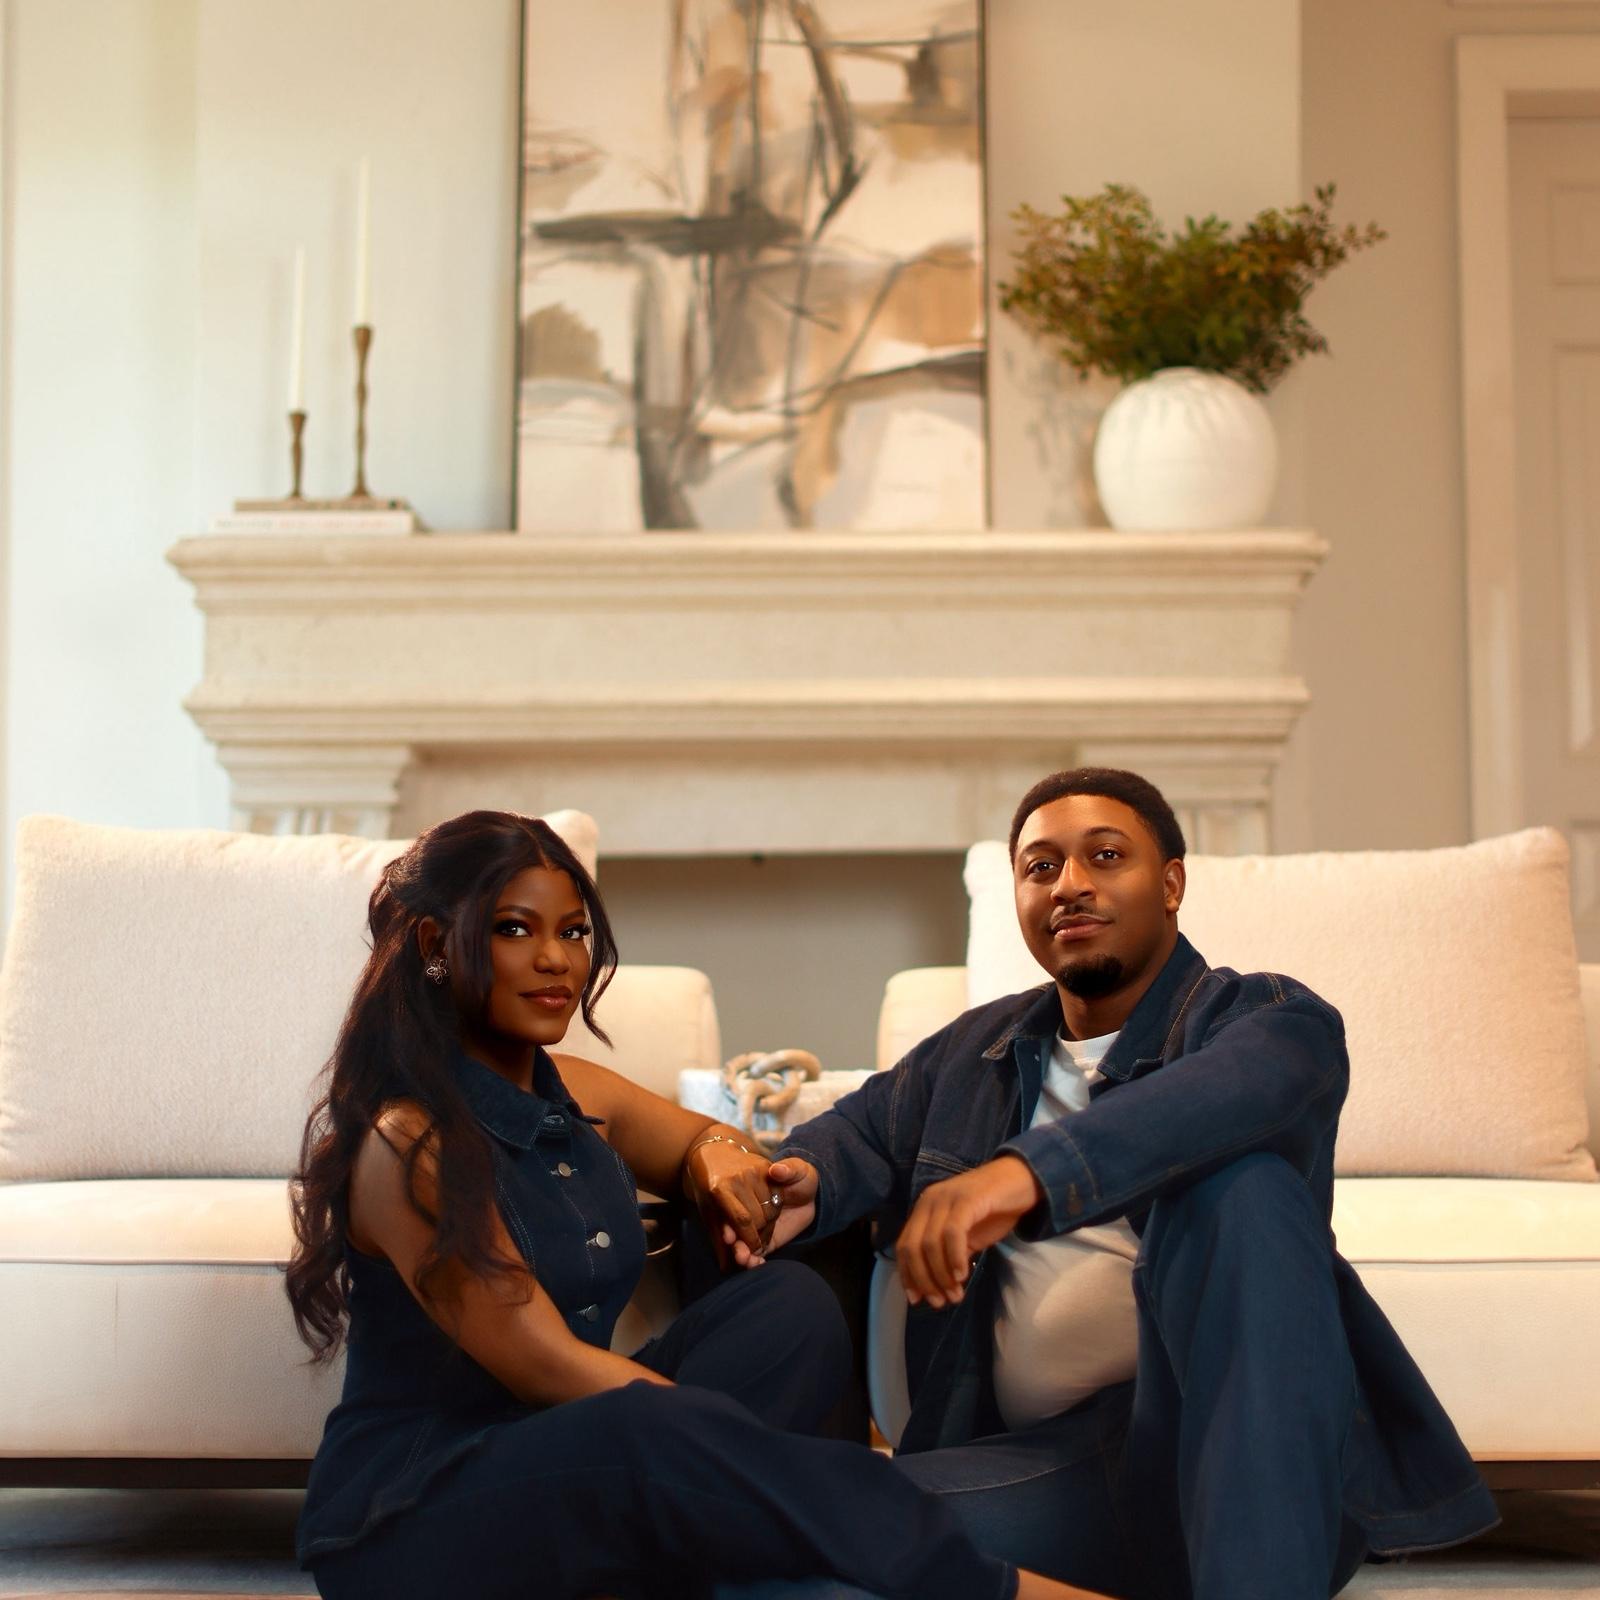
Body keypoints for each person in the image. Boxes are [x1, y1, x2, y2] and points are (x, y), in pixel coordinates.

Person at [285, 809, 1100, 1600]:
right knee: (657, 1432)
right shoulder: (409, 1144)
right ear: (436, 945)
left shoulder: (579, 1093)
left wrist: (711, 1157)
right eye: (514, 930)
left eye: (573, 931)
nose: (556, 960)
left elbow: (709, 1139)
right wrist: (720, 1452)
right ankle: (990, 1587)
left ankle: (728, 1556)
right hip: (418, 1510)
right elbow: (546, 1366)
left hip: (577, 1456)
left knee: (785, 1308)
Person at [732, 768, 1499, 1600]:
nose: (1070, 885)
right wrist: (798, 1182)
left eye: (1104, 856)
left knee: (1245, 1187)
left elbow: (1225, 1095)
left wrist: (1023, 1175)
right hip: (1057, 1472)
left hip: (1230, 1456)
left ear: (1170, 884)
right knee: (776, 1533)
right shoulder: (973, 1053)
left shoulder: (1267, 1020)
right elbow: (853, 1134)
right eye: (1041, 867)